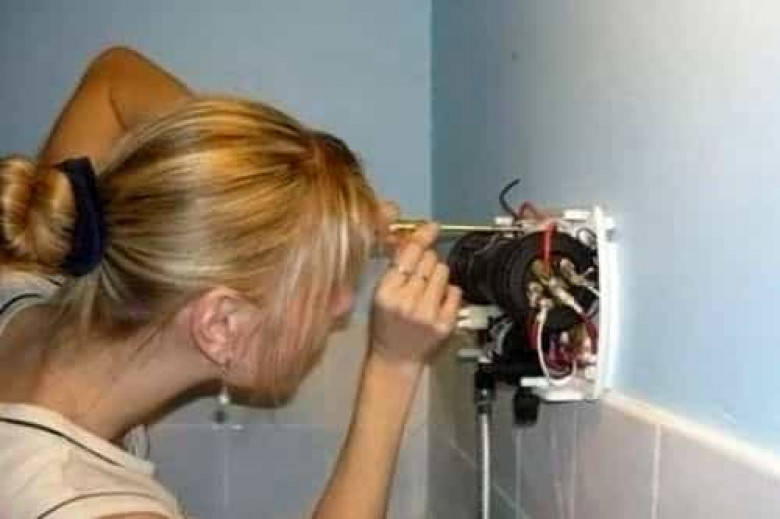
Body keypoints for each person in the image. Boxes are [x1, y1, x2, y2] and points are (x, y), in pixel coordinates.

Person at [0, 47, 461, 519]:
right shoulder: (77, 503)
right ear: (220, 324)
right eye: (324, 289)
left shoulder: (28, 278)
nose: (343, 304)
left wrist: (259, 199)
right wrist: (394, 365)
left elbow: (113, 77)